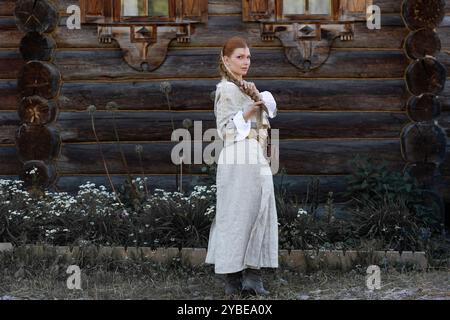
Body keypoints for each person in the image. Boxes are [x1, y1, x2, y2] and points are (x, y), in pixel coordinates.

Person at [205, 36, 278, 296]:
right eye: (239, 57)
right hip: (237, 157)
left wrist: (255, 97)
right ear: (226, 60)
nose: (245, 62)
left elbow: (269, 112)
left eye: (248, 57)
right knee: (235, 214)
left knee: (258, 209)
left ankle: (252, 275)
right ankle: (232, 277)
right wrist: (247, 112)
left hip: (253, 156)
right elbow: (225, 130)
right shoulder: (226, 90)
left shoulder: (244, 87)